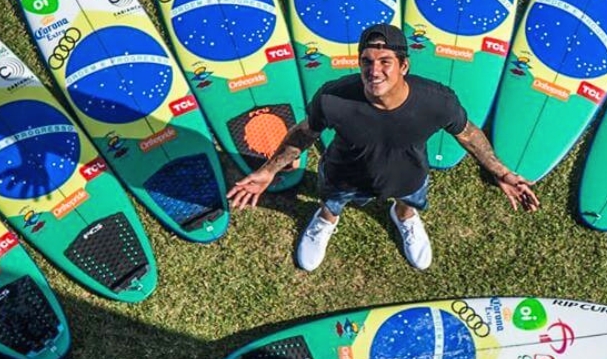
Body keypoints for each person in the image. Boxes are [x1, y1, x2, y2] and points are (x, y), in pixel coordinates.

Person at [227, 23, 539, 271]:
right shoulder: (334, 97)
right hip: (344, 175)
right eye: (367, 61)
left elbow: (468, 134)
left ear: (404, 65)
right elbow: (305, 132)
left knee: (409, 201)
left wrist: (501, 172)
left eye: (385, 62)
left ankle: (404, 218)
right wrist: (268, 171)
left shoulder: (437, 101)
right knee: (332, 202)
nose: (374, 71)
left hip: (409, 176)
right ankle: (325, 221)